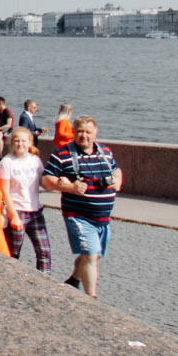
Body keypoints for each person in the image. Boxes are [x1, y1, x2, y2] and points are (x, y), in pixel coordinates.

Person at [42, 116, 120, 297]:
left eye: (88, 132)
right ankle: (91, 299)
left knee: (93, 254)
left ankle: (74, 280)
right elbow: (46, 181)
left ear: (95, 133)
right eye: (80, 132)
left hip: (103, 218)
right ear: (73, 133)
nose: (84, 135)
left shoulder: (105, 152)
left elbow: (116, 170)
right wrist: (70, 187)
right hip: (78, 215)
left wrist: (117, 181)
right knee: (91, 255)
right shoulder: (62, 154)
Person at [0, 127, 50, 271]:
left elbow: (43, 182)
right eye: (16, 141)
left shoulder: (35, 160)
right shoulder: (7, 162)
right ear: (12, 143)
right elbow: (4, 192)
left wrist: (59, 183)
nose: (20, 144)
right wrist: (13, 216)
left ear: (30, 143)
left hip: (35, 211)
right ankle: (9, 278)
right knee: (13, 253)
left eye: (23, 141)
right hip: (17, 211)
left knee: (44, 251)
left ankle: (46, 283)